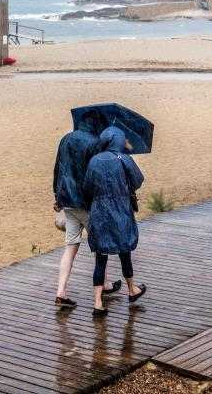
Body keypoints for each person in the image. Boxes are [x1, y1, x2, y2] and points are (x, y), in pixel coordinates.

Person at [53, 111, 120, 309]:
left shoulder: (65, 139)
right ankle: (102, 291)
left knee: (70, 247)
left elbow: (57, 168)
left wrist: (57, 197)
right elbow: (96, 174)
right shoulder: (94, 143)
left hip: (67, 200)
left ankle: (61, 292)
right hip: (86, 203)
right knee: (101, 245)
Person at [83, 126, 147, 317]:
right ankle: (131, 289)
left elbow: (87, 187)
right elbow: (138, 180)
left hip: (99, 213)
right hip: (120, 211)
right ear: (118, 140)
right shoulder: (123, 158)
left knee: (100, 257)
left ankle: (97, 302)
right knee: (124, 250)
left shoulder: (94, 160)